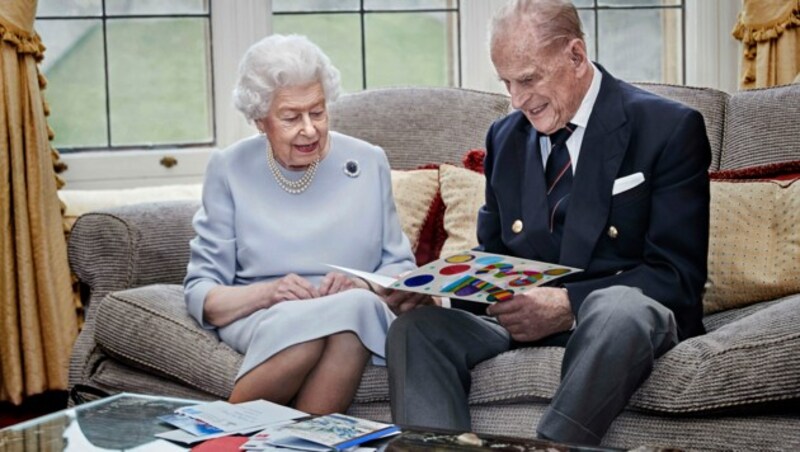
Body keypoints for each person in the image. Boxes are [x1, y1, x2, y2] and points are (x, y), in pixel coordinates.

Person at [386, 0, 711, 445]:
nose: (517, 101)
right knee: (416, 331)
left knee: (619, 308)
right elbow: (496, 255)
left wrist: (567, 305)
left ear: (575, 56)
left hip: (613, 326)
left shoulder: (667, 128)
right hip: (519, 325)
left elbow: (678, 278)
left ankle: (549, 446)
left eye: (528, 79)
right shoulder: (505, 136)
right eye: (506, 83)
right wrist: (437, 292)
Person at [184, 34, 430, 415]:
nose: (310, 129)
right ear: (259, 120)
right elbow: (203, 294)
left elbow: (399, 268)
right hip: (262, 312)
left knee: (352, 314)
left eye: (317, 112)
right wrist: (269, 293)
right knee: (316, 332)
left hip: (354, 307)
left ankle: (217, 433)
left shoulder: (368, 161)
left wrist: (361, 282)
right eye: (291, 117)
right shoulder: (229, 168)